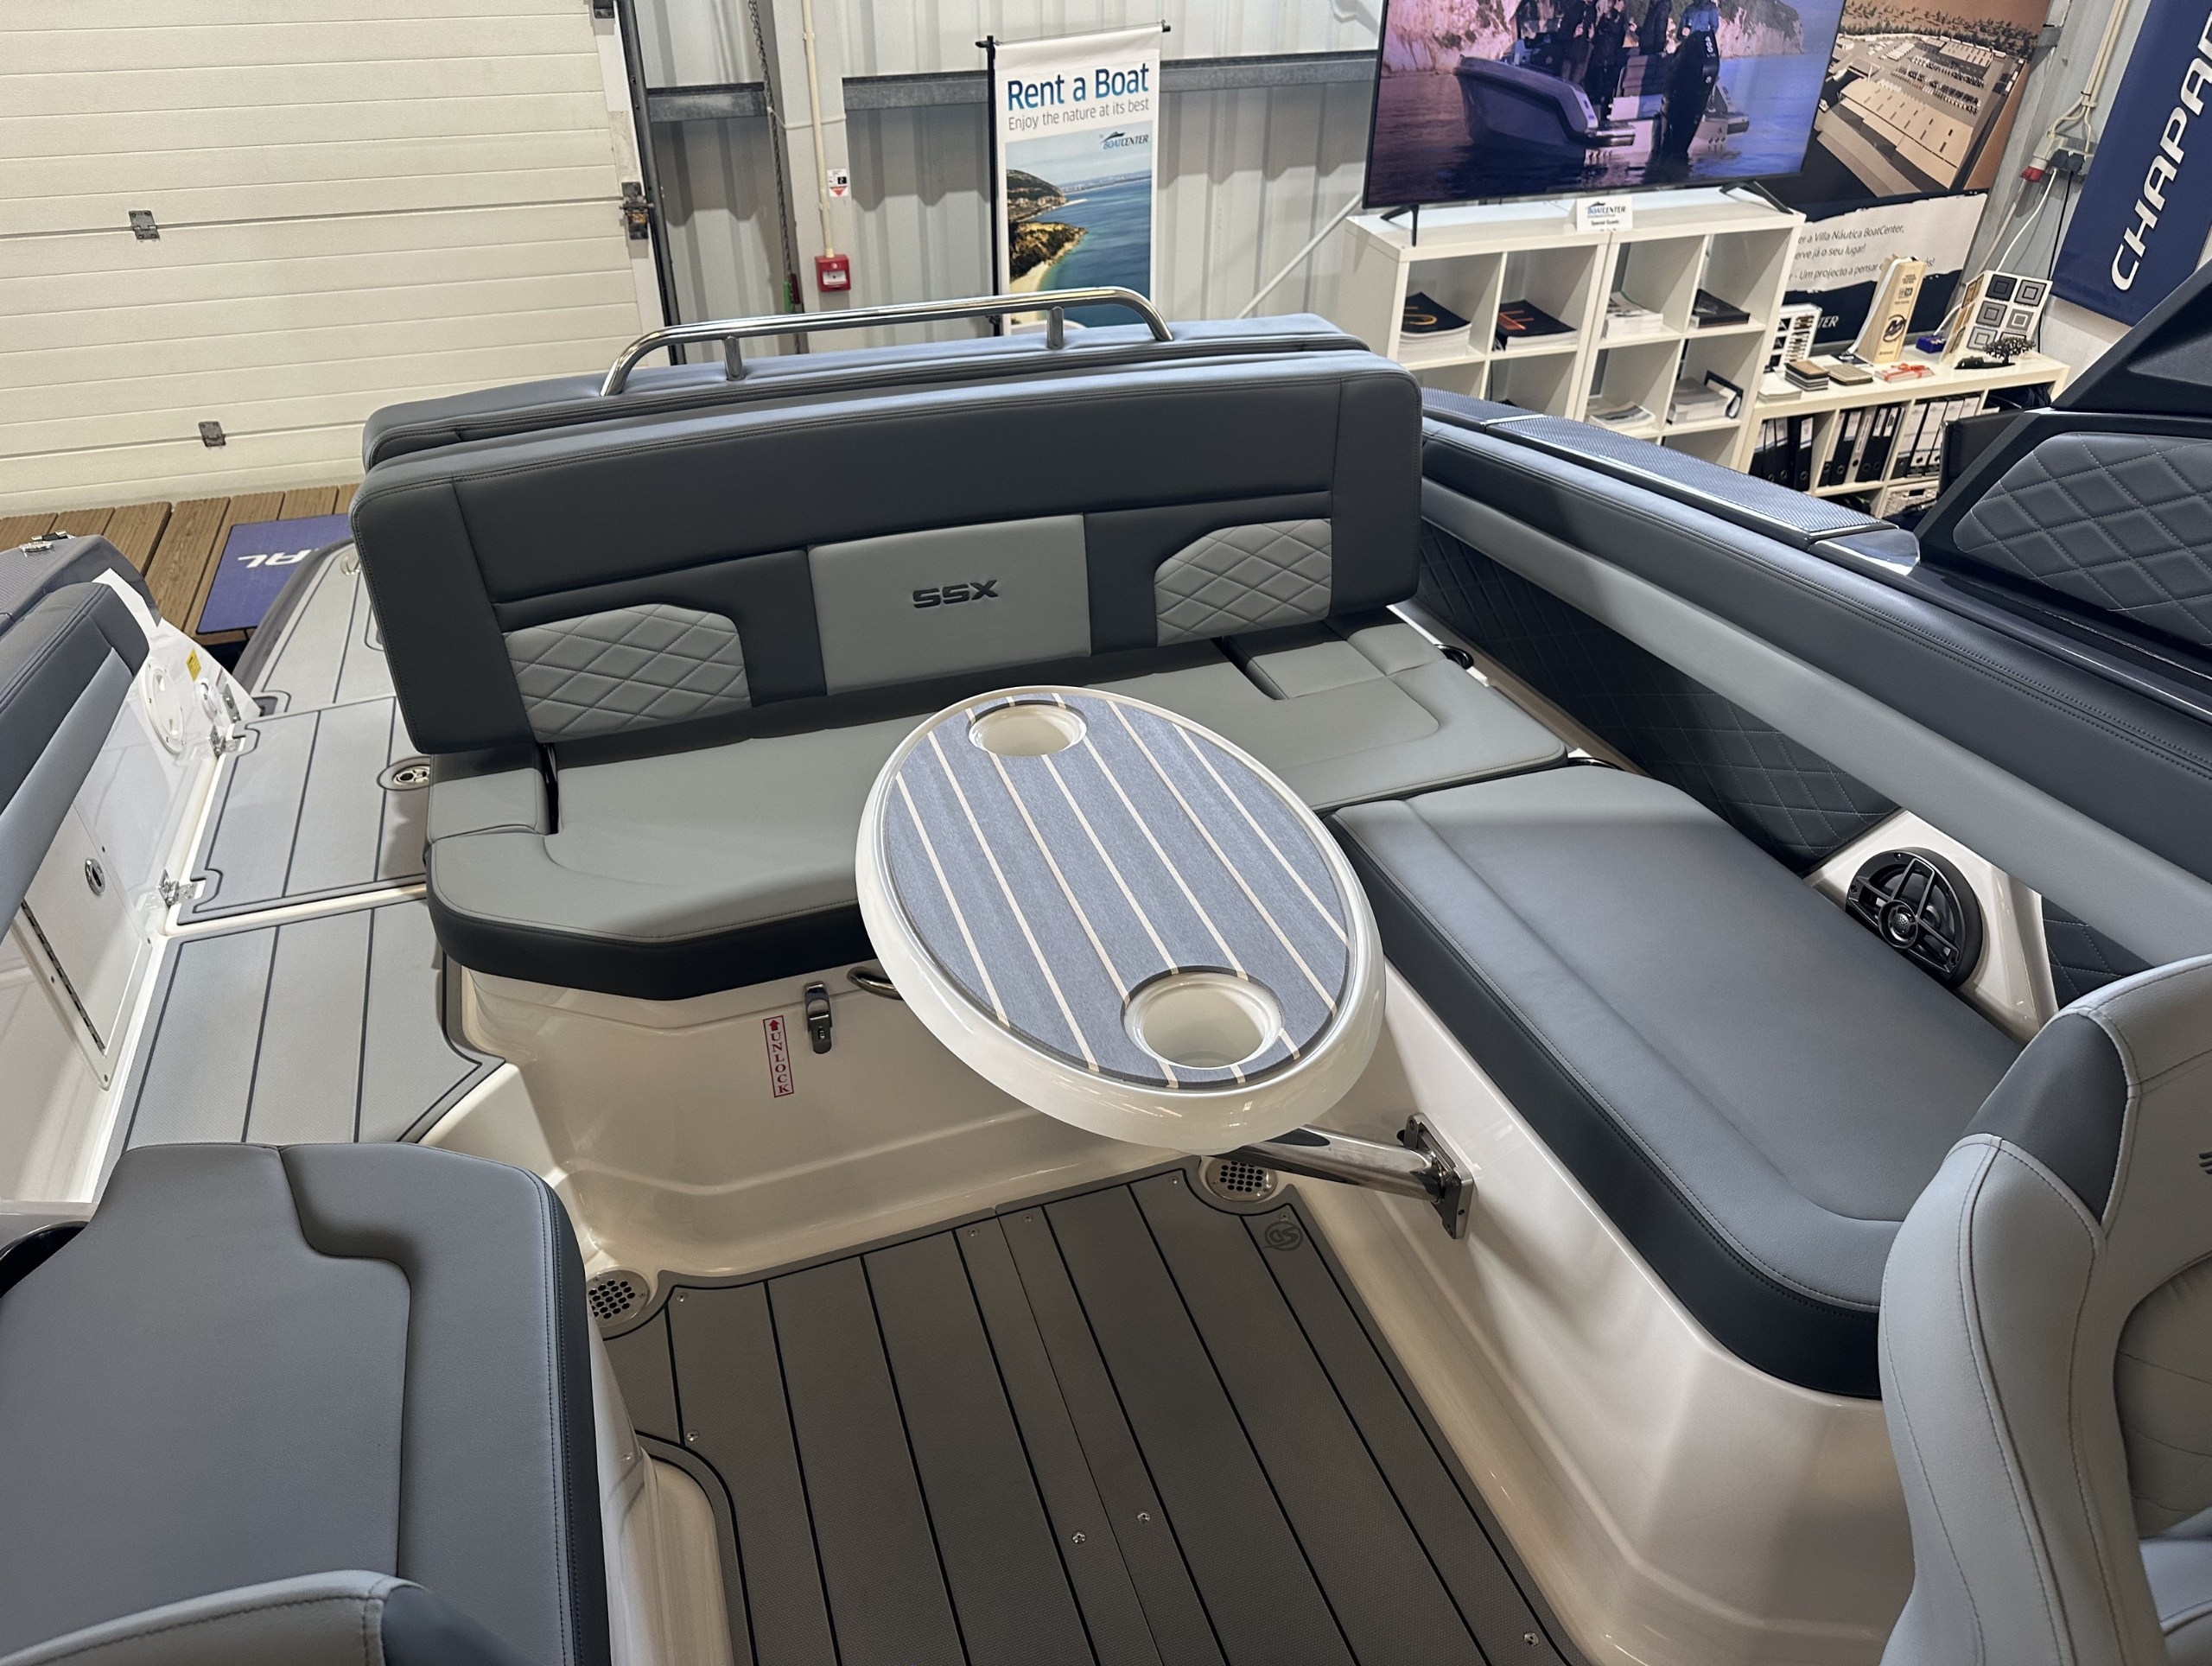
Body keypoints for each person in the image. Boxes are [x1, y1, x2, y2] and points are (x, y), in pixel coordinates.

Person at [1658, 0, 1720, 160]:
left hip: (1701, 53)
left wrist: (1700, 36)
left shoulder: (1710, 8)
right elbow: (1680, 34)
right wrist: (1683, 34)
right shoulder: (1689, 10)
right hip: (1689, 53)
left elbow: (1714, 28)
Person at [1584, 0, 1629, 119]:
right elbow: (1598, 37)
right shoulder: (1607, 18)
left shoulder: (1620, 22)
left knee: (1603, 90)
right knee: (1595, 88)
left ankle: (1600, 115)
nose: (1616, 3)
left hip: (1608, 60)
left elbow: (1616, 36)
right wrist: (1592, 36)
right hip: (1600, 57)